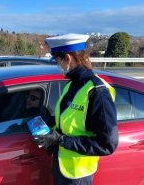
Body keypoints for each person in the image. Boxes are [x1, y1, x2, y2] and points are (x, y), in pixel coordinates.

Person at [32, 34, 118, 185]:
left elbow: (107, 144)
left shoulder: (97, 91)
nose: (57, 66)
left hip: (78, 175)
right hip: (62, 166)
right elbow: (68, 118)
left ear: (67, 58)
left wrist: (61, 140)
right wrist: (46, 124)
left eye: (57, 61)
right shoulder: (73, 84)